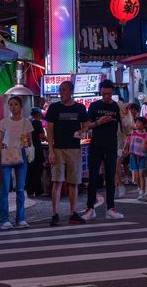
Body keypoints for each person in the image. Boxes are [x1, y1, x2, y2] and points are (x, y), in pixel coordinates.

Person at [45, 80, 89, 226]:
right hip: (58, 149)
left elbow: (86, 125)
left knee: (73, 182)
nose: (61, 92)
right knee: (57, 181)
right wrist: (51, 149)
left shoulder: (80, 108)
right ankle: (55, 213)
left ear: (71, 91)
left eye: (63, 90)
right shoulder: (54, 108)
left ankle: (73, 213)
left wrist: (82, 131)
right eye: (60, 89)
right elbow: (49, 129)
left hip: (75, 148)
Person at [82, 79, 124, 221]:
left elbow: (124, 126)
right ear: (100, 91)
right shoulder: (94, 106)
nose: (107, 96)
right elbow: (87, 125)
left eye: (109, 94)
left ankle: (110, 208)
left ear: (112, 92)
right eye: (104, 93)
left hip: (111, 145)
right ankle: (90, 208)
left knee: (110, 178)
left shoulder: (117, 107)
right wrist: (99, 122)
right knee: (93, 177)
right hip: (96, 145)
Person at [0, 95, 34, 229]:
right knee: (5, 188)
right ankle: (5, 219)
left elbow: (29, 142)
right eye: (11, 104)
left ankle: (21, 218)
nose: (13, 107)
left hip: (21, 155)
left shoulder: (27, 123)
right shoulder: (4, 122)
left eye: (16, 104)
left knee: (20, 188)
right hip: (6, 156)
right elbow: (0, 142)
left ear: (21, 106)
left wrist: (27, 141)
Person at [123, 116, 147, 198]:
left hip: (143, 157)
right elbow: (127, 142)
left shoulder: (146, 135)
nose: (136, 124)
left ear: (144, 125)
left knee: (142, 175)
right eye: (136, 122)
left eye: (139, 122)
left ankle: (142, 192)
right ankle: (140, 188)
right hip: (133, 156)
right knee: (137, 176)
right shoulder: (132, 133)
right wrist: (125, 149)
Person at [25, 107, 46, 197]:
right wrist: (47, 138)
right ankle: (38, 190)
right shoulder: (37, 122)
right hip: (36, 149)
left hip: (28, 149)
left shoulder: (27, 121)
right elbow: (41, 136)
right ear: (38, 114)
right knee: (38, 170)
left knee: (30, 170)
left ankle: (30, 190)